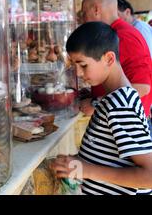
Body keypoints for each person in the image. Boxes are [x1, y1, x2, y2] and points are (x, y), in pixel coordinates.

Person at [51, 22, 152, 194]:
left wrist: (85, 169)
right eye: (74, 65)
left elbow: (149, 176)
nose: (78, 73)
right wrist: (76, 162)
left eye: (83, 65)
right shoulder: (111, 100)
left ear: (109, 59)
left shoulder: (120, 105)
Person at [80, 0, 152, 121]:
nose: (82, 19)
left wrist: (96, 103)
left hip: (128, 123)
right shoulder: (114, 33)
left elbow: (142, 87)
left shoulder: (123, 36)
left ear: (96, 9)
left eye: (84, 13)